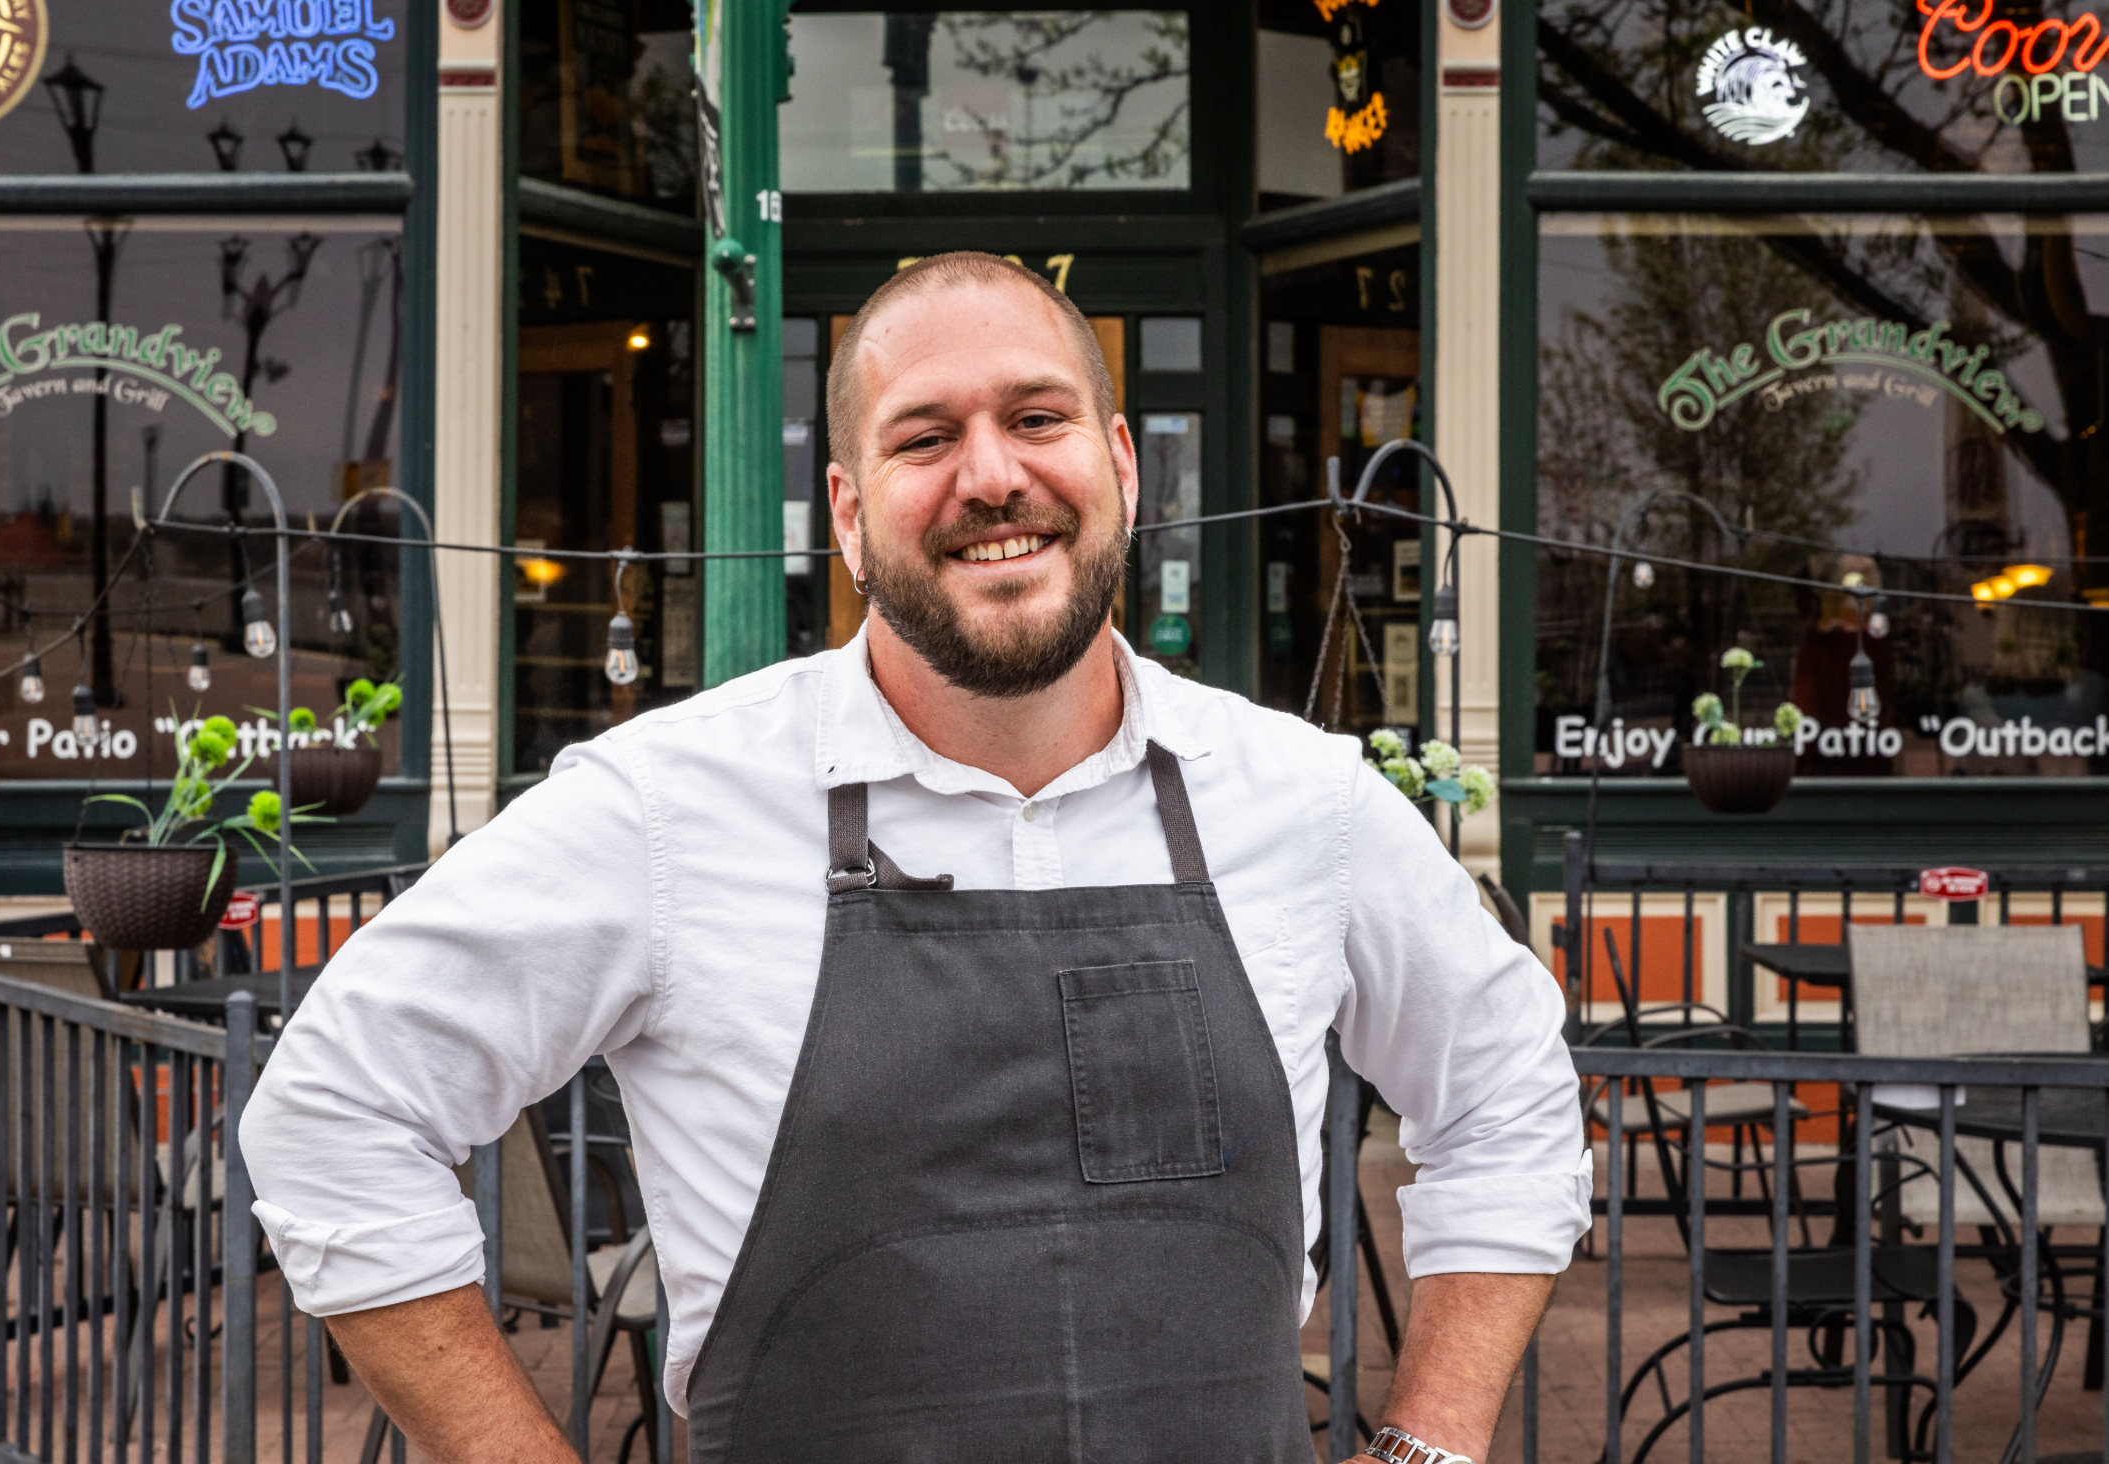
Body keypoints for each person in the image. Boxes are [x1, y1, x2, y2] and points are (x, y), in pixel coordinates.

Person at [240, 252, 1590, 1464]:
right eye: (925, 436)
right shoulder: (667, 806)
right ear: (846, 508)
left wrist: (1431, 1447)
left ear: (1123, 461)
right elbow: (335, 1109)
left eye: (1037, 417)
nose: (992, 474)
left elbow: (1508, 1088)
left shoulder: (1302, 800)